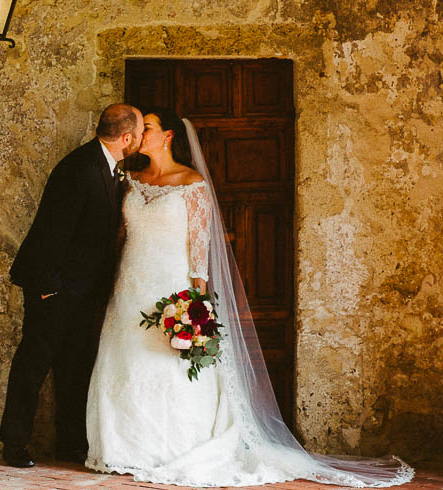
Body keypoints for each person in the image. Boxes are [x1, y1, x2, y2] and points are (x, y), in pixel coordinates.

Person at [86, 108, 413, 487]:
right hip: (130, 286)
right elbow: (119, 237)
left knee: (168, 364)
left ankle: (174, 446)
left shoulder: (192, 185)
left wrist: (198, 305)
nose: (141, 133)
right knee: (125, 361)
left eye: (149, 127)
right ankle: (124, 447)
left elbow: (199, 251)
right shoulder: (131, 180)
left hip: (170, 286)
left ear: (170, 135)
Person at [0, 103, 142, 468]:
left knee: (74, 368)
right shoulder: (79, 168)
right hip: (55, 288)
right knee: (34, 364)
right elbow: (52, 230)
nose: (139, 139)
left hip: (82, 292)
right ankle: (13, 444)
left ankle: (70, 444)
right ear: (126, 137)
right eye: (138, 133)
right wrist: (48, 287)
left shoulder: (109, 169)